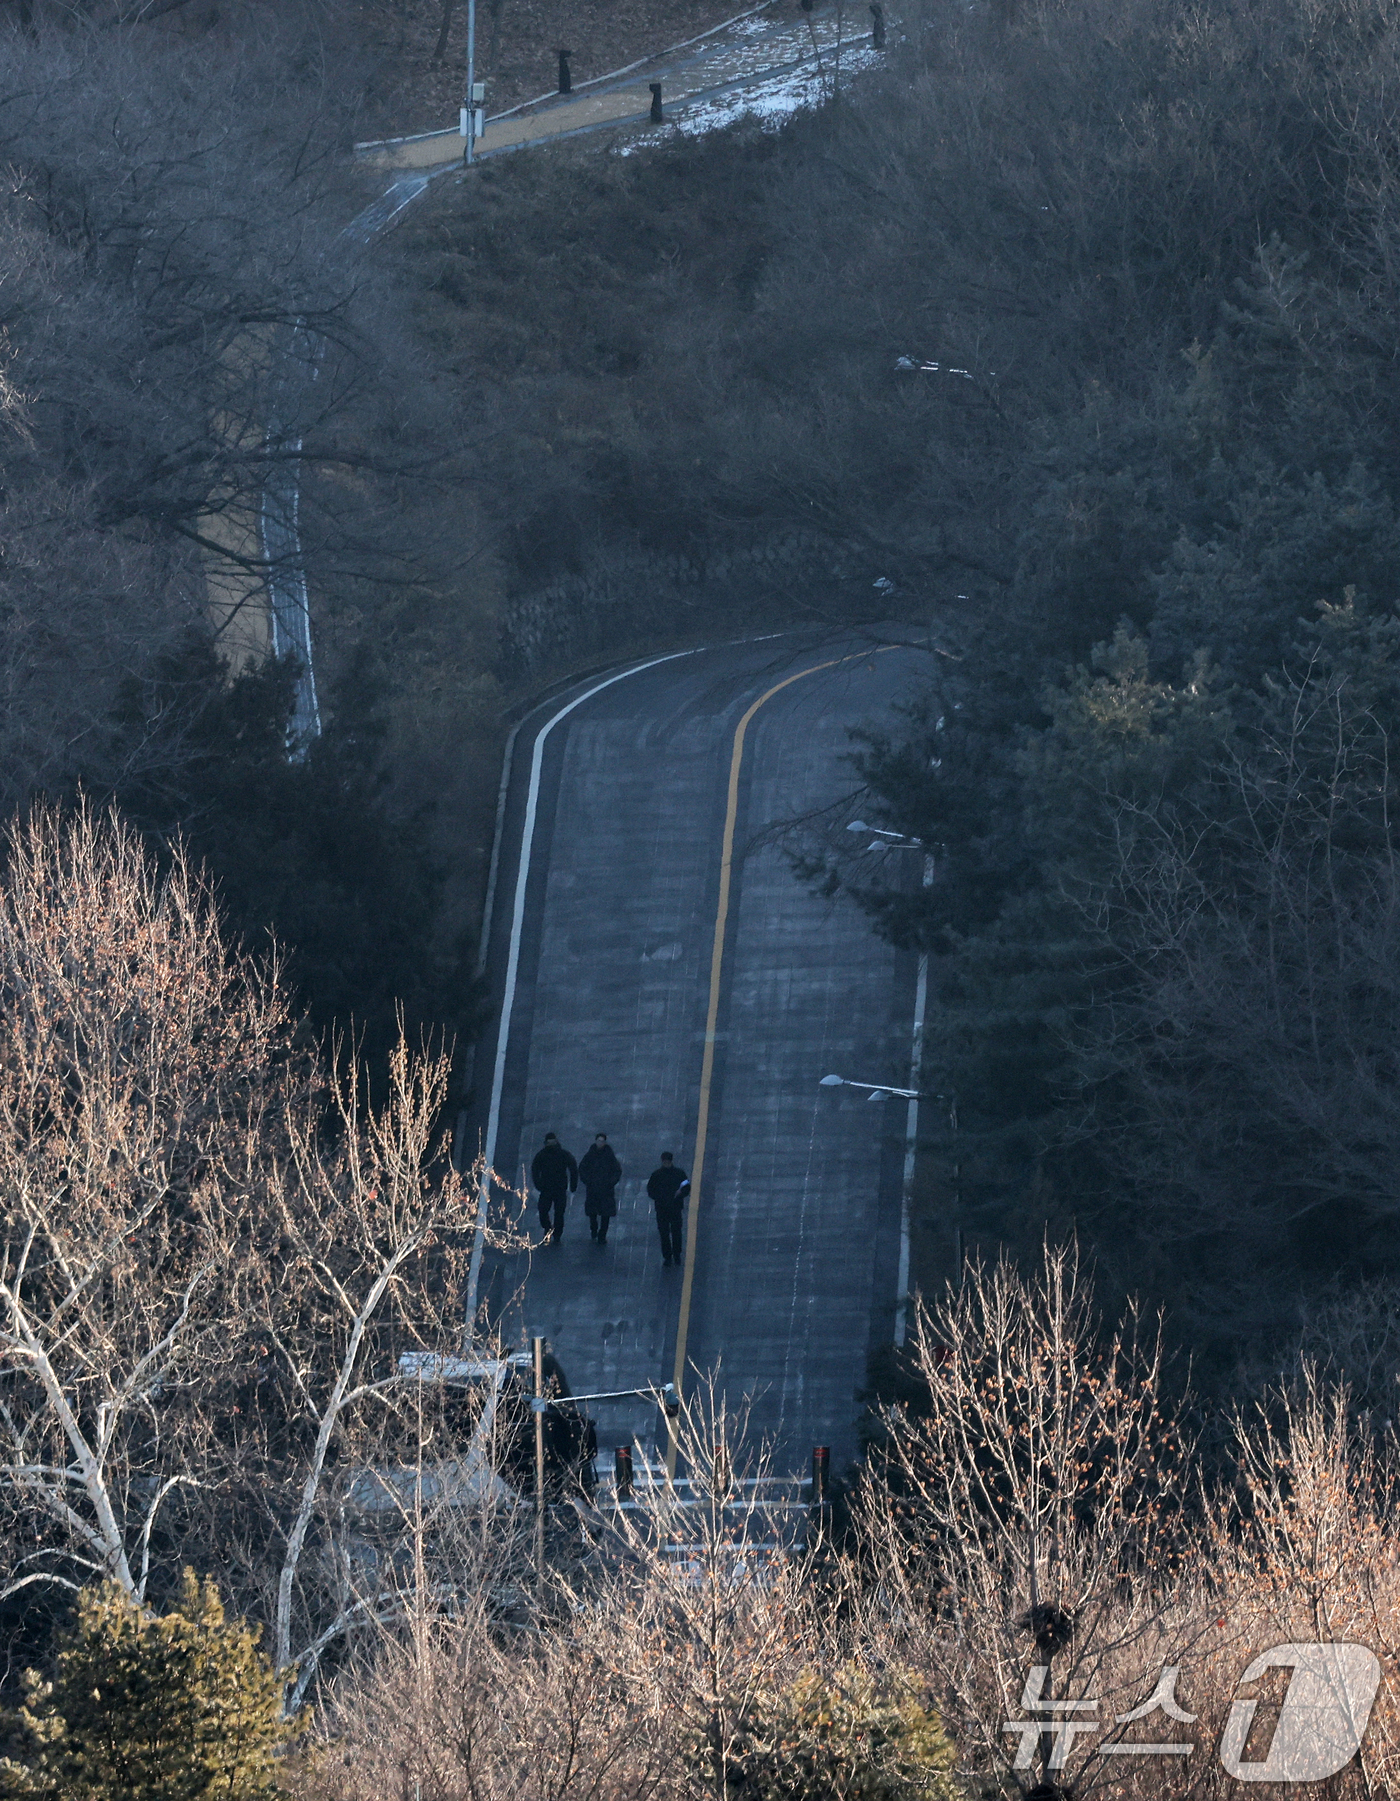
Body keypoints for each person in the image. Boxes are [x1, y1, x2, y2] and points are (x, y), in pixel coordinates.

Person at [530, 1132, 577, 1243]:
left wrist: (573, 1185)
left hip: (559, 1189)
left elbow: (573, 1168)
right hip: (547, 1189)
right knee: (543, 1211)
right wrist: (538, 1185)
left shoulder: (562, 1154)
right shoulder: (542, 1156)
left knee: (559, 1213)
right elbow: (535, 1170)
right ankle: (548, 1228)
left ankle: (557, 1234)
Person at [646, 1151, 690, 1267]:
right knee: (664, 1233)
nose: (666, 1163)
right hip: (664, 1209)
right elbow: (650, 1190)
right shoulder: (660, 1175)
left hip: (671, 1208)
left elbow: (686, 1186)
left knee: (675, 1233)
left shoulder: (674, 1174)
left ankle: (675, 1254)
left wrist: (681, 1193)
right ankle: (668, 1256)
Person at [578, 1132, 622, 1245]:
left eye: (602, 1141)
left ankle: (602, 1235)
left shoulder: (609, 1156)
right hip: (593, 1189)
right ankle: (594, 1229)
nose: (600, 1143)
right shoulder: (590, 1155)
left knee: (605, 1214)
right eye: (598, 1141)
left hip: (606, 1190)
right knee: (593, 1213)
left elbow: (617, 1171)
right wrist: (588, 1181)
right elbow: (582, 1168)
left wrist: (610, 1182)